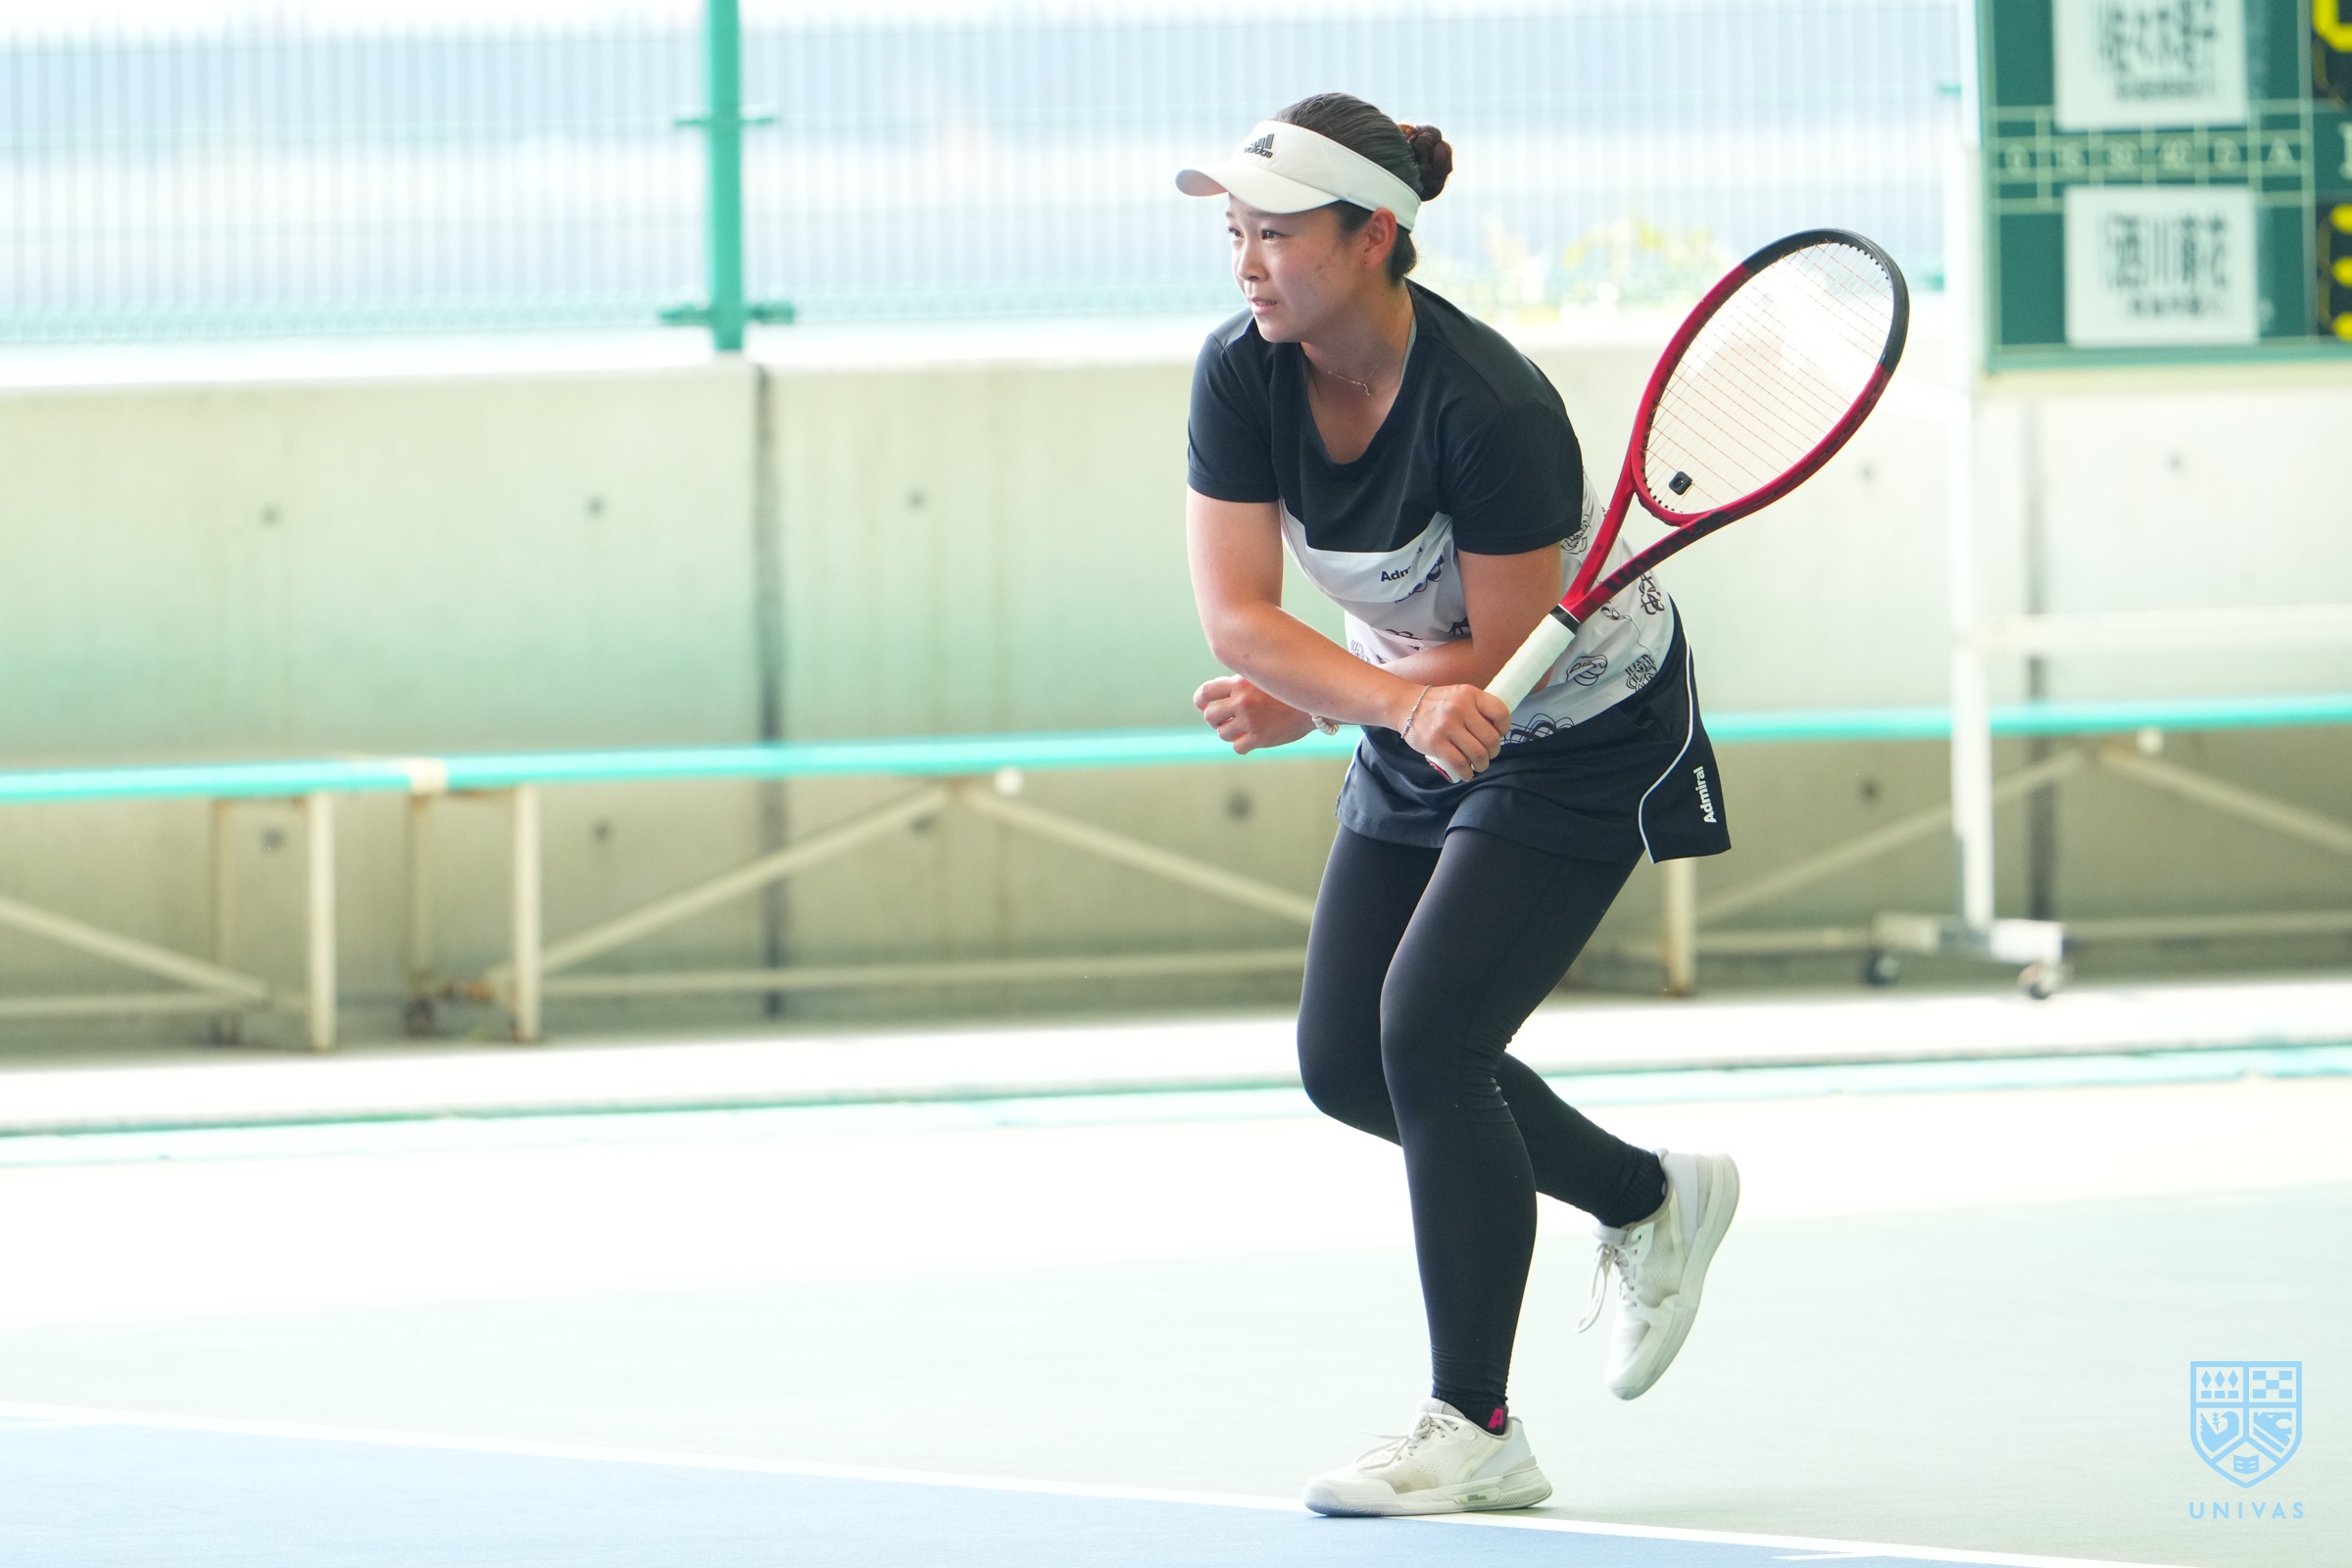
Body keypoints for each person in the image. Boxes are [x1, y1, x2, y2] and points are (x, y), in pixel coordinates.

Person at [1176, 94, 1741, 1518]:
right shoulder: (1241, 373)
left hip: (1579, 727)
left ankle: (1476, 1426)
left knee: (1428, 1036)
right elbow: (1239, 617)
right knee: (1345, 1063)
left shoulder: (1491, 411)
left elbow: (1499, 651)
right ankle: (1649, 1197)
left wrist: (1335, 698)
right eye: (1234, 232)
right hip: (1418, 713)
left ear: (1374, 236)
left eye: (1277, 234)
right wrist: (1339, 699)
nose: (1246, 263)